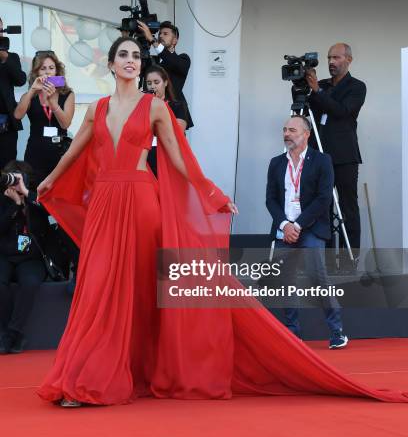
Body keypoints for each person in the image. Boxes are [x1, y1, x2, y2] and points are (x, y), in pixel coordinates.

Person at [37, 37, 407, 407]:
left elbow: (179, 157)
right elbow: (76, 148)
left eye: (136, 55)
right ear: (112, 64)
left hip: (140, 201)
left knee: (142, 287)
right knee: (100, 285)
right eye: (124, 55)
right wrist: (51, 179)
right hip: (105, 202)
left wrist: (210, 192)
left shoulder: (155, 107)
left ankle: (117, 374)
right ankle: (89, 372)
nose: (131, 61)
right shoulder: (96, 109)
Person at [266, 115, 348, 349]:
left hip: (310, 227)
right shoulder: (276, 163)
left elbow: (324, 198)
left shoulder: (322, 160)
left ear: (306, 134)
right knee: (285, 281)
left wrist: (298, 225)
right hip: (285, 228)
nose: (286, 134)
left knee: (317, 276)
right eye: (284, 130)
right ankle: (293, 333)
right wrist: (285, 225)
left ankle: (337, 330)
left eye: (292, 130)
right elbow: (270, 199)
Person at [306, 43, 366, 257]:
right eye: (329, 58)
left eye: (336, 58)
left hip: (344, 156)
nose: (331, 62)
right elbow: (307, 110)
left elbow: (342, 111)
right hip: (319, 154)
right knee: (322, 207)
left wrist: (317, 91)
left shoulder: (357, 87)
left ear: (348, 59)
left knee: (348, 207)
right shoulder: (321, 85)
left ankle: (351, 258)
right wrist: (302, 85)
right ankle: (327, 256)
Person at [0, 160, 49, 354]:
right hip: (4, 255)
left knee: (30, 283)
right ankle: (7, 333)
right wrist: (14, 206)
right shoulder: (2, 199)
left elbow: (49, 213)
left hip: (31, 258)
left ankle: (11, 333)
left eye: (18, 180)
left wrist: (26, 197)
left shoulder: (36, 199)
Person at [14, 51, 75, 185]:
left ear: (57, 71)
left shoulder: (67, 94)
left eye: (51, 68)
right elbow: (17, 115)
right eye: (43, 68)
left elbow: (65, 124)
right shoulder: (31, 95)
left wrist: (52, 102)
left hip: (59, 152)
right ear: (37, 72)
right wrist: (32, 91)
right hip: (35, 151)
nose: (47, 72)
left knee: (59, 193)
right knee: (34, 194)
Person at [138, 20, 194, 129]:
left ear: (175, 41)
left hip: (175, 114)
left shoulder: (183, 59)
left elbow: (171, 60)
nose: (161, 36)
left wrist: (153, 40)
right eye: (160, 34)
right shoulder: (155, 62)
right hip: (153, 112)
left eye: (165, 34)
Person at [145, 64, 188, 176]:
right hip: (146, 161)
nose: (152, 87)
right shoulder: (144, 108)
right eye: (149, 83)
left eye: (156, 82)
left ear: (165, 83)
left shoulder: (178, 106)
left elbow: (177, 132)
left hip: (169, 159)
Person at [0, 18, 26, 169]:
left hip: (6, 124)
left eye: (0, 30)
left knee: (7, 166)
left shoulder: (12, 57)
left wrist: (6, 59)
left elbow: (20, 80)